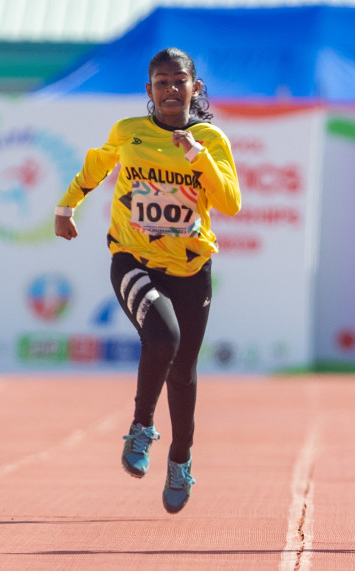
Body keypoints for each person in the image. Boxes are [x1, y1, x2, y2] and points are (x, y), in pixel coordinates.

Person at [54, 47, 240, 513]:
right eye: (162, 82)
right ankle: (141, 427)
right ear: (149, 91)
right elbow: (98, 164)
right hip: (133, 257)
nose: (171, 90)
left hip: (191, 266)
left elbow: (231, 203)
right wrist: (66, 205)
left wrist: (198, 158)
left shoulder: (211, 140)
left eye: (180, 81)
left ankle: (180, 460)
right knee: (163, 339)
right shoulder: (129, 132)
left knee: (184, 370)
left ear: (195, 89)